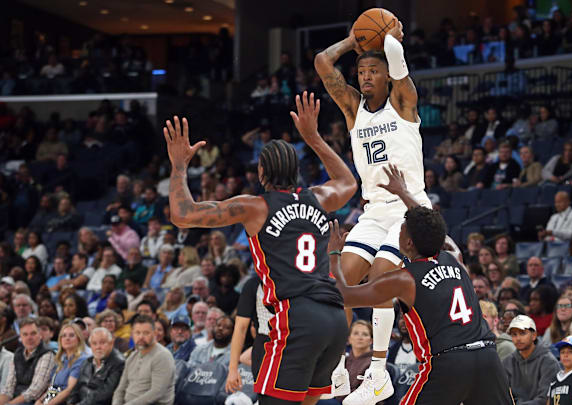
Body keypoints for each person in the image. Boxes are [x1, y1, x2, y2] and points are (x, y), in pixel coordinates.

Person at [167, 93, 355, 404]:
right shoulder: (319, 197)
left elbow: (182, 215)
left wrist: (178, 168)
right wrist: (313, 138)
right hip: (334, 319)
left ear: (261, 173)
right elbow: (348, 181)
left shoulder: (254, 207)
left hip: (297, 317)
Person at [326, 165, 514, 404]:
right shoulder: (454, 257)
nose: (398, 233)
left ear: (409, 243)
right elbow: (430, 225)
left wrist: (334, 255)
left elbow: (341, 295)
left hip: (448, 363)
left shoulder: (404, 279)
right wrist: (403, 192)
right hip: (487, 356)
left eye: (402, 230)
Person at [314, 19, 430, 403]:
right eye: (361, 71)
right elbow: (321, 62)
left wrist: (391, 41)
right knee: (338, 287)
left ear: (386, 77)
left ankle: (379, 372)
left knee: (381, 277)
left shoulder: (403, 102)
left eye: (373, 71)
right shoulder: (353, 109)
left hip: (410, 207)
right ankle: (338, 368)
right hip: (375, 210)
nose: (365, 77)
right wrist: (353, 39)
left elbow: (399, 66)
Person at [111, 315, 175, 405]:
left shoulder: (162, 356)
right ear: (132, 334)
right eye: (137, 333)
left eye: (146, 333)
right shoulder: (132, 356)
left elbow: (157, 392)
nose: (141, 337)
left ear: (154, 334)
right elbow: (120, 389)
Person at [505, 315, 561, 405]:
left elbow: (545, 399)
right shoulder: (507, 362)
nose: (518, 338)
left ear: (534, 335)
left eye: (522, 333)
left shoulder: (549, 362)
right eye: (514, 334)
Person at [0, 318, 54, 405]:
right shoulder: (17, 353)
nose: (29, 338)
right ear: (20, 337)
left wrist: (9, 404)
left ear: (40, 335)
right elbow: (9, 387)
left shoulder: (47, 354)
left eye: (33, 333)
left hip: (33, 401)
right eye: (25, 334)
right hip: (16, 398)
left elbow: (35, 391)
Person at [68, 327, 125, 405]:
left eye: (102, 343)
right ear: (90, 345)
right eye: (94, 343)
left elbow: (105, 394)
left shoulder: (119, 363)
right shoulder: (87, 362)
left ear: (111, 343)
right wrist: (71, 402)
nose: (98, 347)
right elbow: (75, 389)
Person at [37, 323, 89, 405]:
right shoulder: (61, 360)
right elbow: (51, 388)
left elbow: (69, 390)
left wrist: (48, 404)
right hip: (51, 398)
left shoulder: (81, 360)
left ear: (78, 339)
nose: (67, 338)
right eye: (64, 336)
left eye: (71, 335)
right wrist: (39, 401)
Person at [547, 336, 572, 405]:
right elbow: (549, 402)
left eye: (570, 352)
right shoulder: (554, 378)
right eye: (562, 352)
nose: (566, 355)